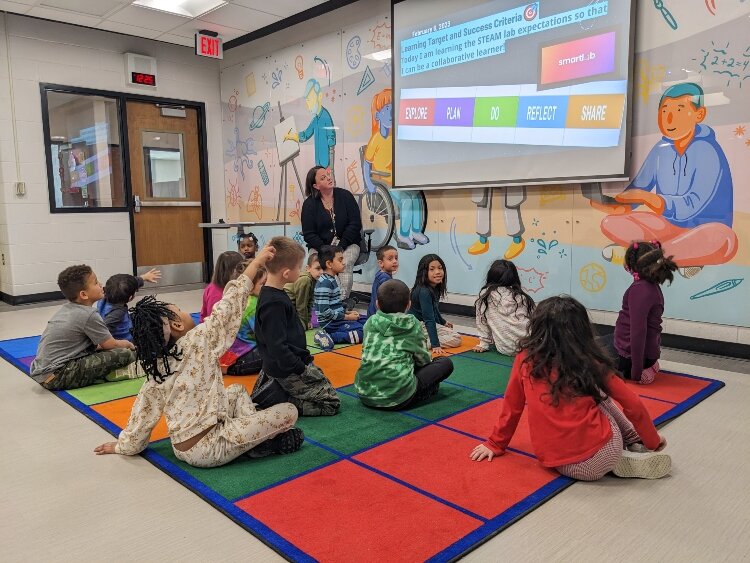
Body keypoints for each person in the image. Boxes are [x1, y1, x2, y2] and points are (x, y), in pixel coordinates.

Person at [94, 248, 304, 466]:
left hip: (183, 448)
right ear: (177, 325)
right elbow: (228, 305)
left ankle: (253, 438)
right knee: (288, 411)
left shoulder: (158, 368)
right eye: (180, 310)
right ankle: (259, 444)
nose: (186, 312)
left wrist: (123, 446)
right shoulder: (198, 341)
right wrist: (256, 263)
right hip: (212, 447)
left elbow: (143, 414)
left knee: (236, 391)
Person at [469, 296, 671, 481]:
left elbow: (512, 406)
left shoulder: (525, 358)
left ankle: (620, 459)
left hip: (563, 466)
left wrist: (495, 443)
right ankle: (633, 442)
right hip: (606, 450)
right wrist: (652, 441)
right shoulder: (589, 361)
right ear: (582, 329)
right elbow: (633, 404)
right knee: (599, 393)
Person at [591, 82, 737, 278]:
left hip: (704, 227)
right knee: (610, 222)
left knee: (724, 241)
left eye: (679, 109)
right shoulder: (661, 149)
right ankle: (671, 256)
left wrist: (649, 199)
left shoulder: (708, 151)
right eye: (664, 110)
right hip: (666, 227)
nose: (669, 118)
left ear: (699, 115)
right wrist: (617, 206)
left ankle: (642, 255)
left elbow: (692, 204)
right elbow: (638, 189)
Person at [252, 236, 340, 416]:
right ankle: (281, 400)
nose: (301, 271)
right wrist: (302, 369)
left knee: (326, 385)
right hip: (287, 369)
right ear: (286, 273)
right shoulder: (273, 303)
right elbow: (277, 348)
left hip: (293, 362)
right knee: (331, 403)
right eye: (299, 267)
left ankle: (278, 389)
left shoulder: (275, 293)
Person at [30, 265, 135, 391]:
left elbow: (94, 345)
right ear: (84, 294)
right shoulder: (88, 314)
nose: (101, 284)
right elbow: (111, 345)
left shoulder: (67, 309)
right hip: (58, 376)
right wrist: (128, 344)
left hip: (44, 372)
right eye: (96, 283)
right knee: (124, 354)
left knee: (101, 351)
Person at [355, 279, 454, 409]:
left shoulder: (370, 322)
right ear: (409, 305)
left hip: (365, 393)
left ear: (377, 304)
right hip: (398, 398)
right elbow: (423, 360)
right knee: (445, 363)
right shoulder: (412, 324)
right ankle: (421, 392)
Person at [363, 87, 428, 250]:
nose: (392, 114)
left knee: (416, 197)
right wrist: (369, 184)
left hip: (397, 181)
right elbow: (367, 164)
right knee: (406, 200)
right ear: (378, 115)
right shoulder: (375, 140)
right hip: (383, 183)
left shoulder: (394, 138)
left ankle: (416, 231)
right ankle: (404, 235)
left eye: (394, 109)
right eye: (387, 109)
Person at [612, 241, 677, 384]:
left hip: (629, 357)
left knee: (586, 356)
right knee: (597, 343)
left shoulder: (640, 290)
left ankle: (644, 368)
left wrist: (636, 371)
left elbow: (638, 333)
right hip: (641, 353)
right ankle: (649, 364)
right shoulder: (649, 285)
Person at [301, 165, 362, 300]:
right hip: (320, 247)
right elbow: (309, 234)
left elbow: (355, 224)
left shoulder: (345, 196)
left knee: (343, 264)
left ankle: (341, 303)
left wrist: (341, 246)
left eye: (328, 174)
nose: (329, 178)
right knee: (317, 267)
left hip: (348, 244)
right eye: (323, 178)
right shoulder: (309, 204)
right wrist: (325, 250)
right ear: (316, 186)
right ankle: (318, 302)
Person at [473, 260, 534, 355]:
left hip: (506, 348)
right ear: (514, 277)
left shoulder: (485, 295)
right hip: (530, 346)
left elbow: (482, 321)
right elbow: (533, 320)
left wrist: (483, 344)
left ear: (491, 276)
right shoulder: (521, 296)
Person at [313, 245, 364, 349]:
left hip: (337, 319)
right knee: (362, 331)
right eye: (340, 260)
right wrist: (347, 317)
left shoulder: (331, 279)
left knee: (366, 321)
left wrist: (346, 312)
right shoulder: (325, 283)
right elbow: (324, 312)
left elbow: (334, 305)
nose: (344, 263)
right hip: (330, 323)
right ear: (329, 264)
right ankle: (329, 336)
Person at [409, 254, 462, 355]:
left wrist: (442, 322)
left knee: (449, 331)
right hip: (417, 325)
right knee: (456, 338)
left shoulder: (434, 287)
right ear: (424, 272)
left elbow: (434, 309)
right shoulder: (424, 291)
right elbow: (429, 318)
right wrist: (435, 344)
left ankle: (419, 339)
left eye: (440, 268)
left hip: (421, 325)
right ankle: (418, 344)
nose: (437, 272)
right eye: (432, 269)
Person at [286, 79, 337, 180]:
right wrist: (293, 136)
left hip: (326, 167)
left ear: (319, 97)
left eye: (309, 99)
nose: (307, 104)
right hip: (319, 167)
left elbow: (332, 139)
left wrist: (330, 168)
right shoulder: (315, 120)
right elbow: (305, 135)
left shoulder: (325, 116)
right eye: (307, 100)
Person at [221, 264, 267, 375]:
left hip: (227, 355)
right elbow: (264, 337)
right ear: (249, 288)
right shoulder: (253, 306)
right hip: (239, 359)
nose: (267, 286)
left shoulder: (236, 298)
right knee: (277, 353)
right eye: (263, 284)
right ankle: (230, 369)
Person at [97, 268, 161, 341]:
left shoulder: (103, 294)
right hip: (125, 341)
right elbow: (104, 332)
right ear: (131, 298)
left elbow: (131, 283)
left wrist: (144, 277)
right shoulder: (118, 312)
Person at [200, 251, 244, 322]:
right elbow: (214, 321)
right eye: (239, 269)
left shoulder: (232, 285)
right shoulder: (215, 293)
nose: (241, 272)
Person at [284, 252, 323, 329]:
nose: (321, 272)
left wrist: (308, 320)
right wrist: (304, 323)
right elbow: (301, 305)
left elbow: (309, 302)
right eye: (318, 268)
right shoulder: (305, 280)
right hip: (285, 310)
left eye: (323, 268)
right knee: (301, 328)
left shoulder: (314, 279)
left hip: (293, 310)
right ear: (308, 268)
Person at [367, 245, 398, 317]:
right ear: (381, 263)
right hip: (379, 315)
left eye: (396, 258)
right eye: (390, 259)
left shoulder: (380, 274)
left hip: (372, 312)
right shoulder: (385, 279)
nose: (395, 261)